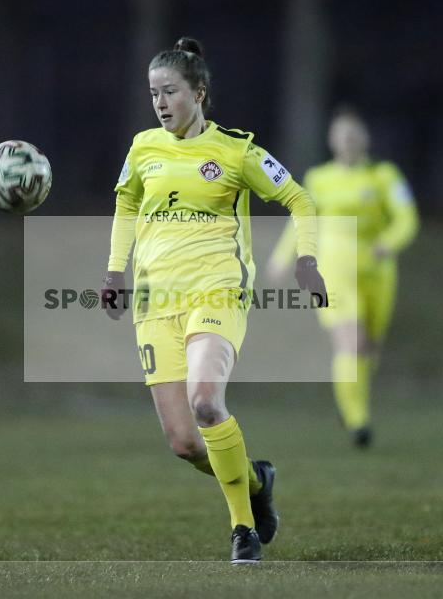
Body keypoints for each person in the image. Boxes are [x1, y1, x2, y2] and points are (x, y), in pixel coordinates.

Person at [102, 37, 328, 564]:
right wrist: (115, 272)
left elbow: (300, 197)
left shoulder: (235, 151)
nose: (160, 103)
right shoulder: (143, 149)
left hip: (217, 291)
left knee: (207, 402)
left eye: (170, 92)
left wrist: (308, 260)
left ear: (199, 93)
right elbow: (127, 209)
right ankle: (256, 480)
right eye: (153, 93)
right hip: (156, 303)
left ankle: (243, 529)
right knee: (184, 443)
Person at [267, 106, 419, 448]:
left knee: (369, 347)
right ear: (332, 141)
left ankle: (350, 403)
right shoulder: (319, 179)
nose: (348, 142)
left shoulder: (383, 175)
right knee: (350, 340)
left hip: (377, 270)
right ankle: (357, 420)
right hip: (332, 267)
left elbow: (406, 218)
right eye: (342, 136)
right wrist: (282, 257)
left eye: (354, 135)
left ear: (364, 139)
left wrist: (389, 242)